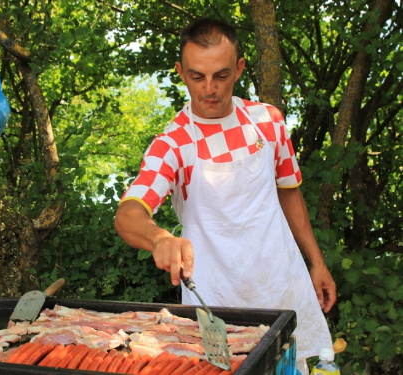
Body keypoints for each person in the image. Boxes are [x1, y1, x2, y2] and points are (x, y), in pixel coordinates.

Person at [114, 17, 336, 374]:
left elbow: (289, 193)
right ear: (181, 72)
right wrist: (158, 237)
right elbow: (128, 213)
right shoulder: (172, 143)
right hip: (216, 301)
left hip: (281, 283)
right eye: (197, 76)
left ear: (239, 69)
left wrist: (316, 262)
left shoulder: (268, 121)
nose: (209, 89)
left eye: (221, 75)